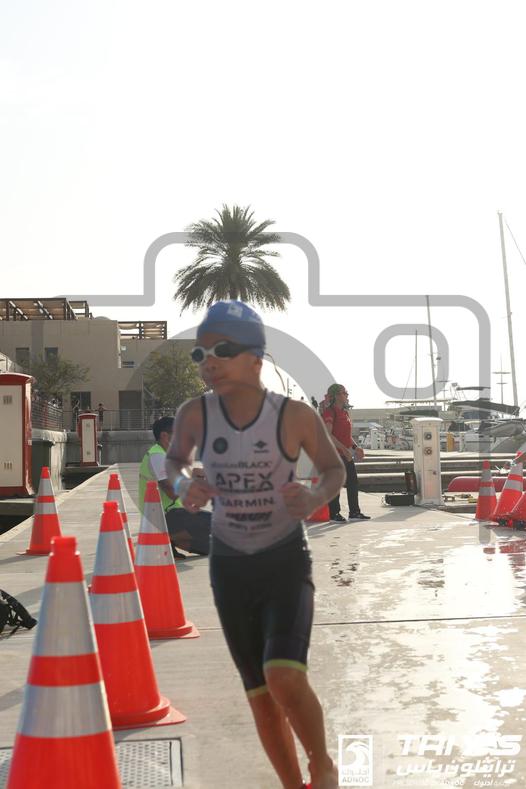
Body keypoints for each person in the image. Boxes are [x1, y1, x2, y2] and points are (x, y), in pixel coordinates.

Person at [165, 300, 344, 789]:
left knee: (284, 675)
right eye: (200, 354)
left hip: (284, 560)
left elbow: (334, 469)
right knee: (261, 698)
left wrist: (314, 497)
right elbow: (174, 462)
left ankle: (322, 765)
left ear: (256, 358)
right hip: (229, 567)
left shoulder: (294, 415)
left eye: (222, 350)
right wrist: (185, 485)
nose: (209, 362)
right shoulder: (195, 414)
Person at [139, 416, 211, 557]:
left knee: (211, 548)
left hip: (172, 514)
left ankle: (171, 541)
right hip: (165, 516)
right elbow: (171, 492)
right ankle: (167, 537)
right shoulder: (157, 456)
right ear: (165, 436)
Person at [322, 383, 370, 523]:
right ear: (336, 395)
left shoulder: (345, 412)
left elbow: (347, 436)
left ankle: (354, 512)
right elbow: (328, 434)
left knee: (353, 482)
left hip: (345, 454)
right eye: (344, 393)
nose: (347, 395)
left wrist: (356, 448)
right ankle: (334, 514)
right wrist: (344, 449)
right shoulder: (330, 412)